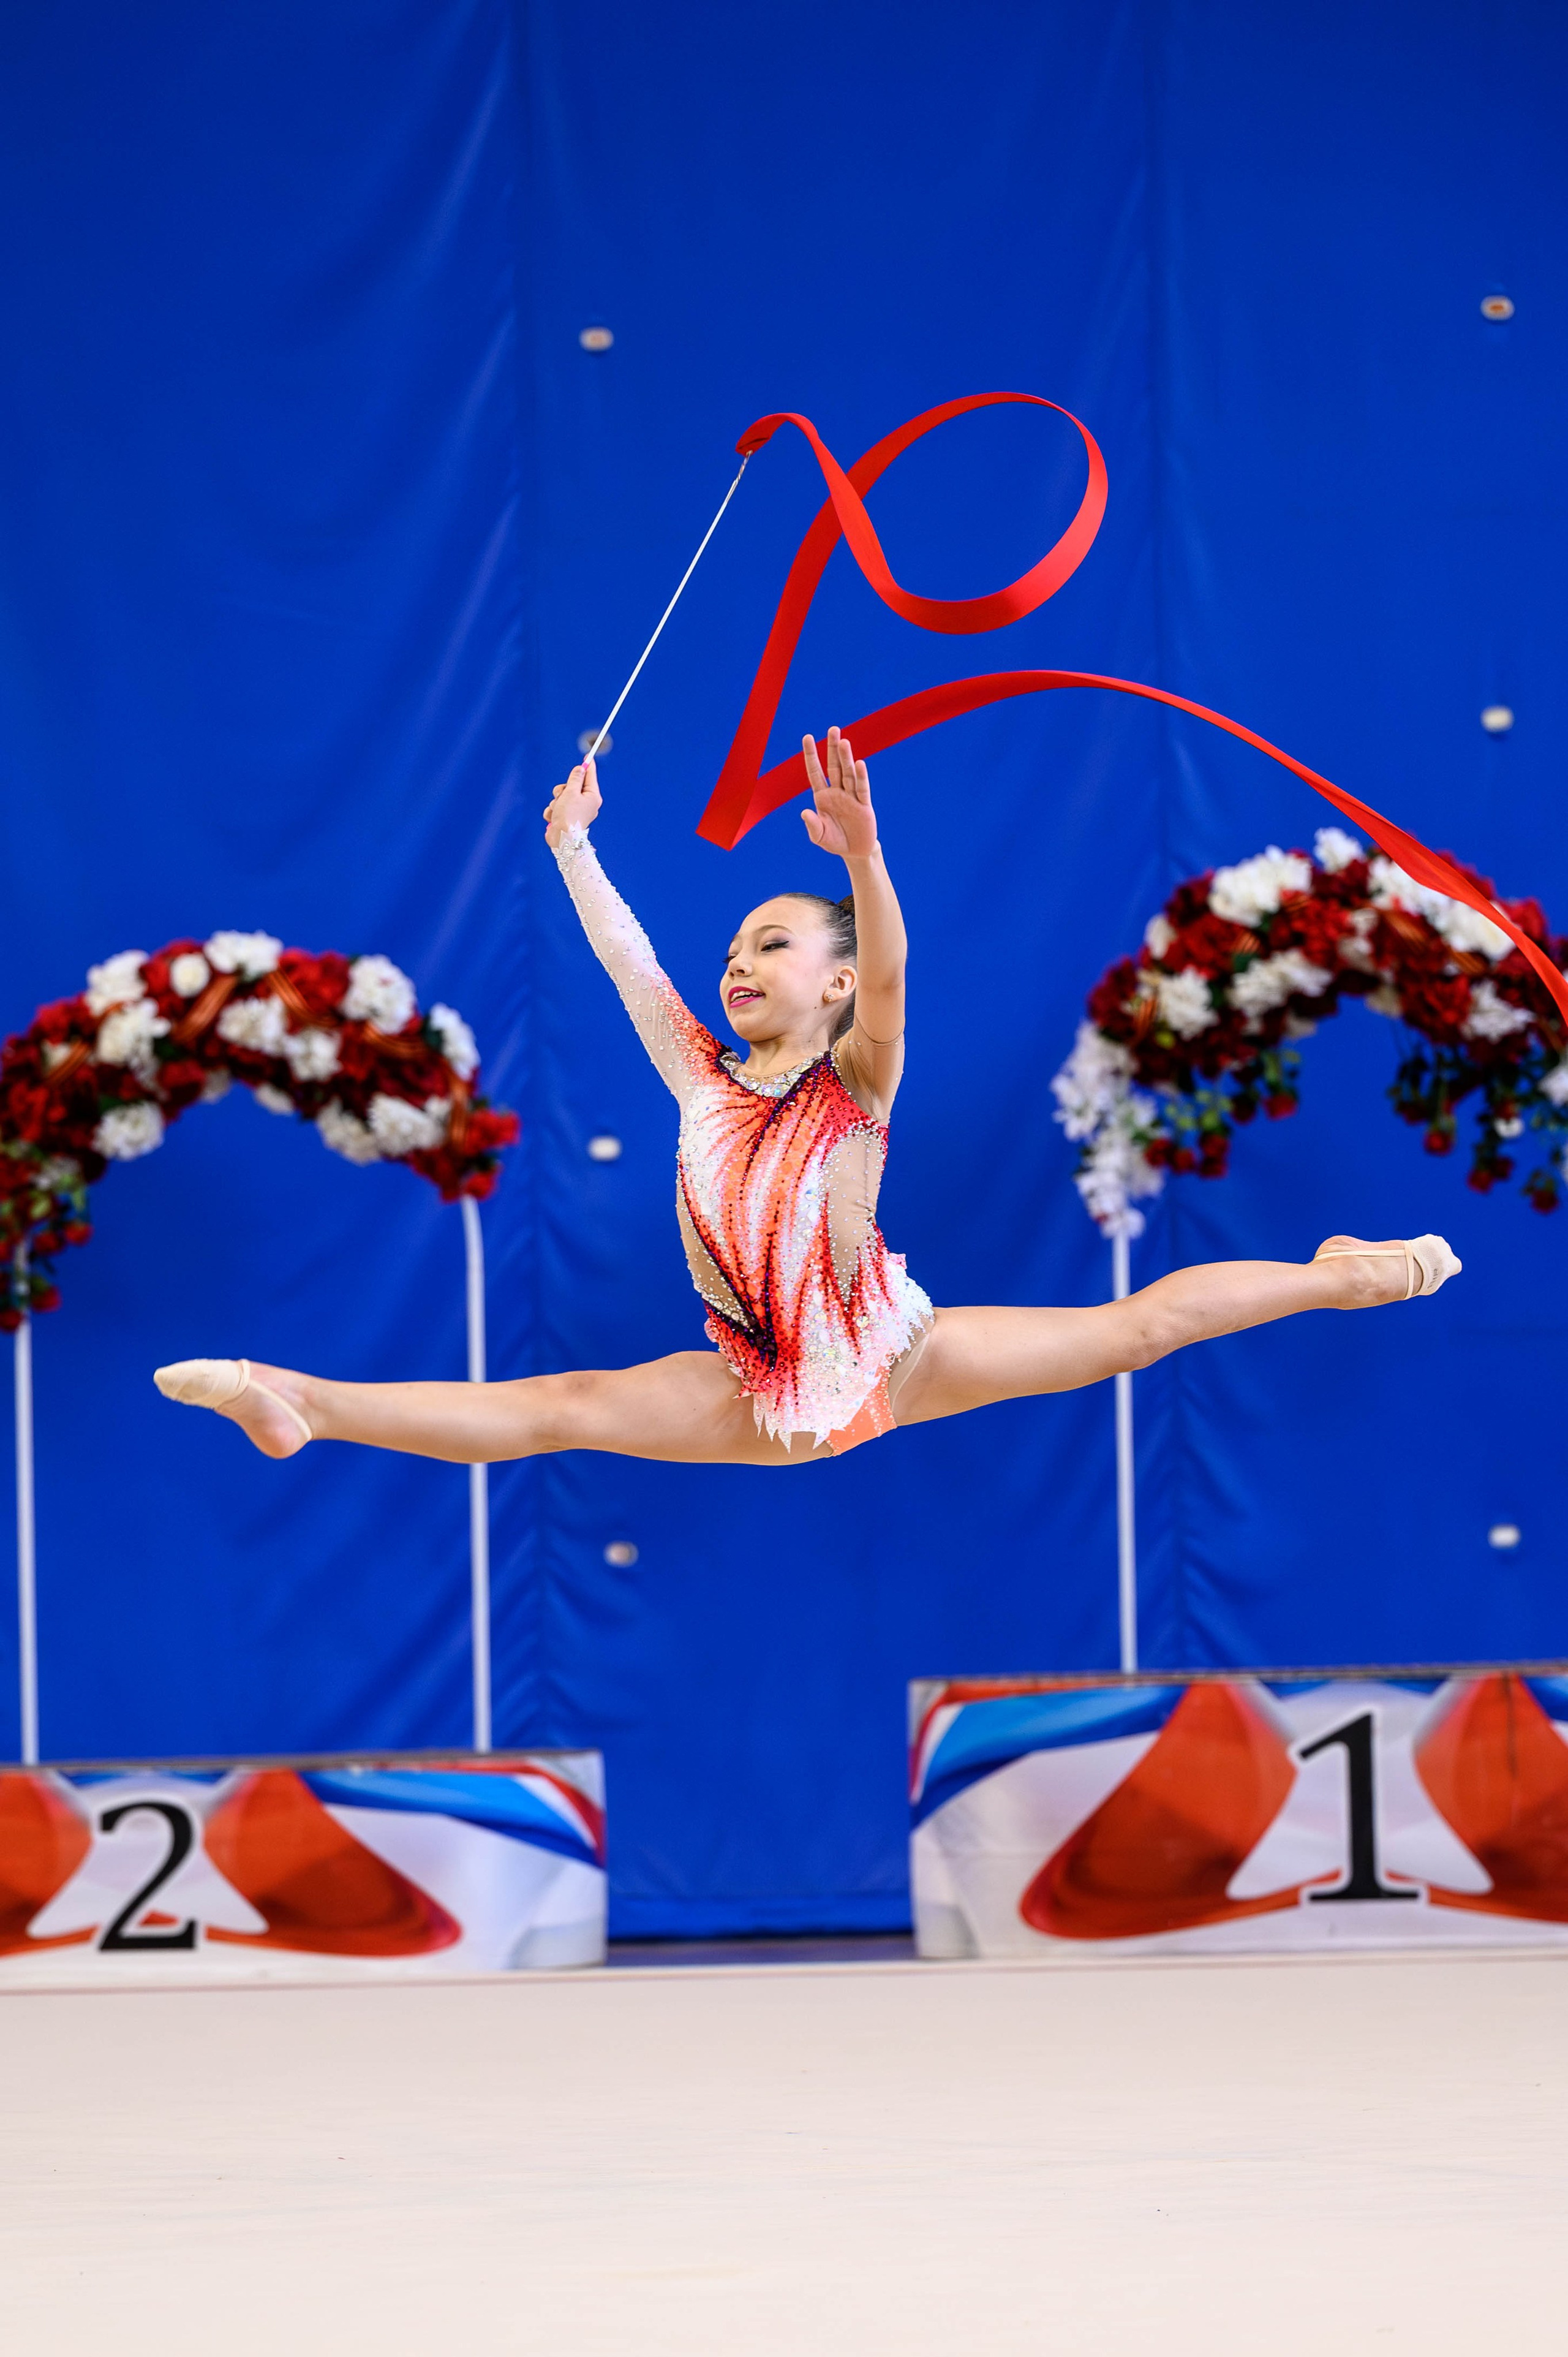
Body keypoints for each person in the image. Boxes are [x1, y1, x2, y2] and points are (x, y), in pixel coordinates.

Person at [154, 729, 1460, 1467]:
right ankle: (300, 1399)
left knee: (1132, 1332)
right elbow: (627, 962)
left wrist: (865, 859)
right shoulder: (699, 1077)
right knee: (556, 1412)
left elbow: (890, 973)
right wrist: (572, 844)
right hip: (757, 1382)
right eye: (735, 951)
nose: (737, 964)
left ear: (832, 987)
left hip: (893, 1350)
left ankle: (1337, 1273)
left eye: (772, 945)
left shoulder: (856, 1077)